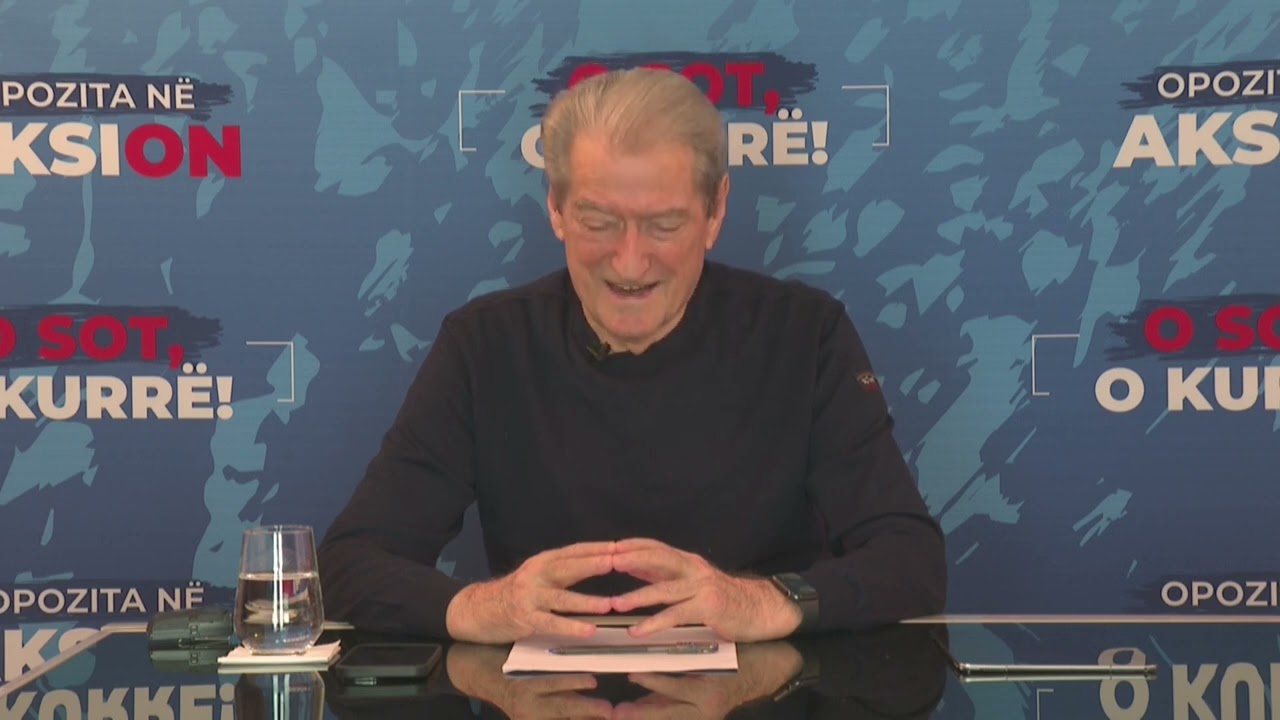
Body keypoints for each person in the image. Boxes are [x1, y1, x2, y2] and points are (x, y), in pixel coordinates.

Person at [317, 67, 946, 644]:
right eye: (598, 222)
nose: (630, 261)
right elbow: (351, 562)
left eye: (664, 225)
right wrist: (485, 607)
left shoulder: (807, 335)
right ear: (556, 209)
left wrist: (762, 603)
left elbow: (910, 558)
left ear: (715, 212)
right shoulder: (483, 346)